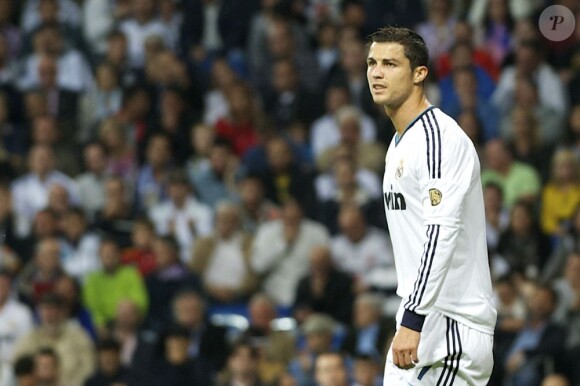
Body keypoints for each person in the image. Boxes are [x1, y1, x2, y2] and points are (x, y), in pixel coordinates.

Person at [366, 27, 497, 384]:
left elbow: (441, 231)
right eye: (372, 63)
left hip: (450, 323)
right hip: (423, 317)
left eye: (390, 64)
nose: (377, 73)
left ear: (419, 73)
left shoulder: (439, 138)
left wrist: (413, 318)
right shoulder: (399, 143)